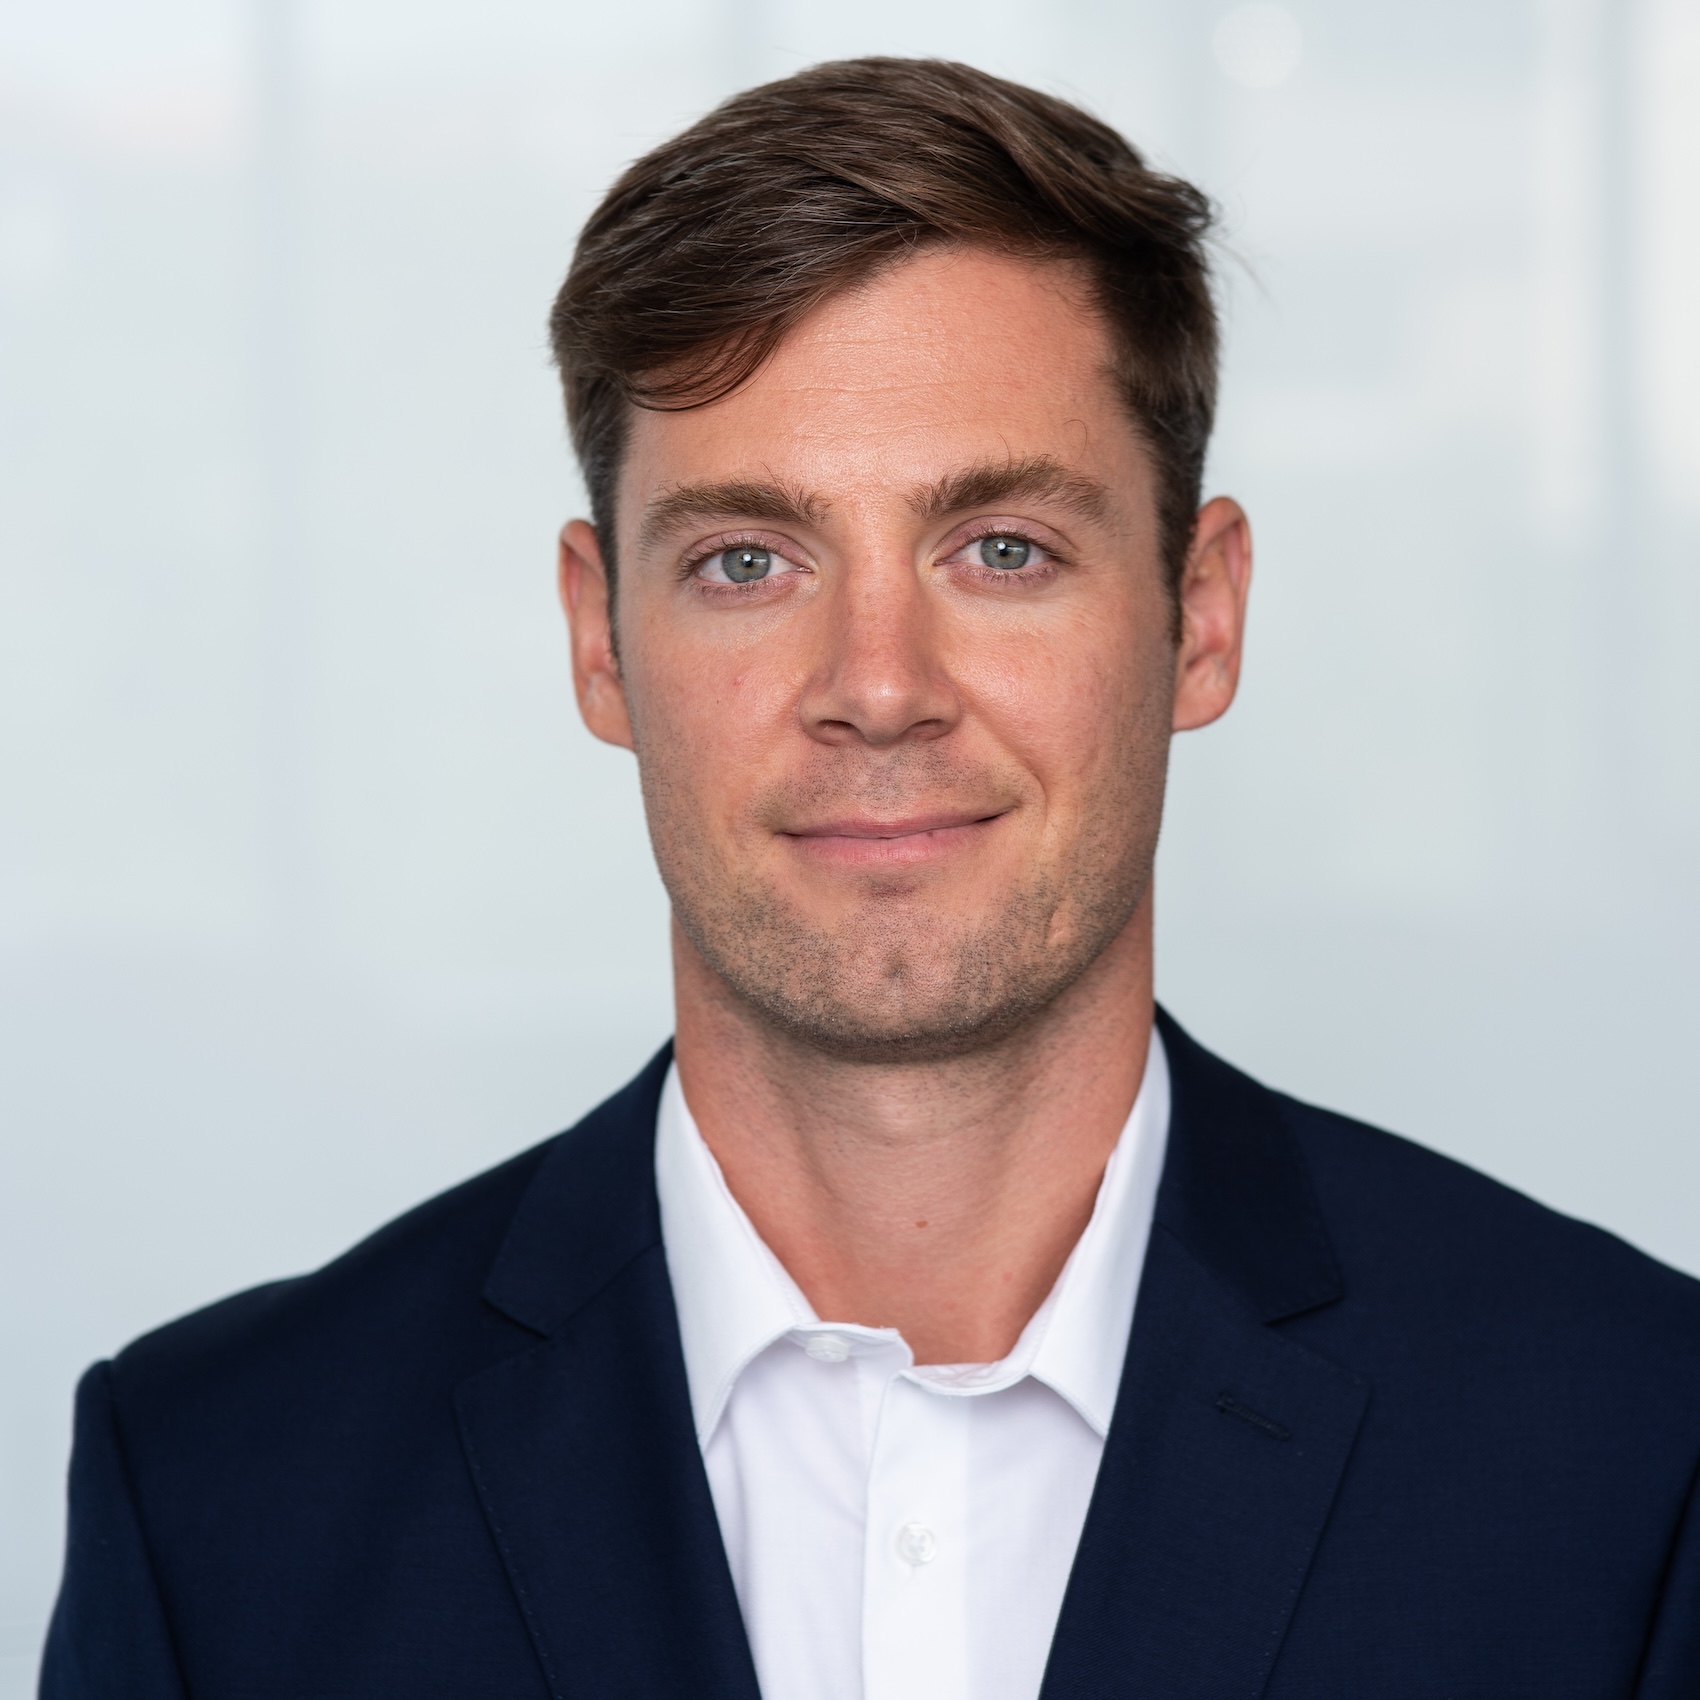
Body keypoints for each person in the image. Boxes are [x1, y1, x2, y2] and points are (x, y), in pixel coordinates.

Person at [41, 56, 1700, 1700]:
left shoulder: (1632, 1455)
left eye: (1003, 551)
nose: (881, 682)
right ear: (597, 639)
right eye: (748, 561)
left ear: (1201, 614)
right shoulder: (214, 1500)